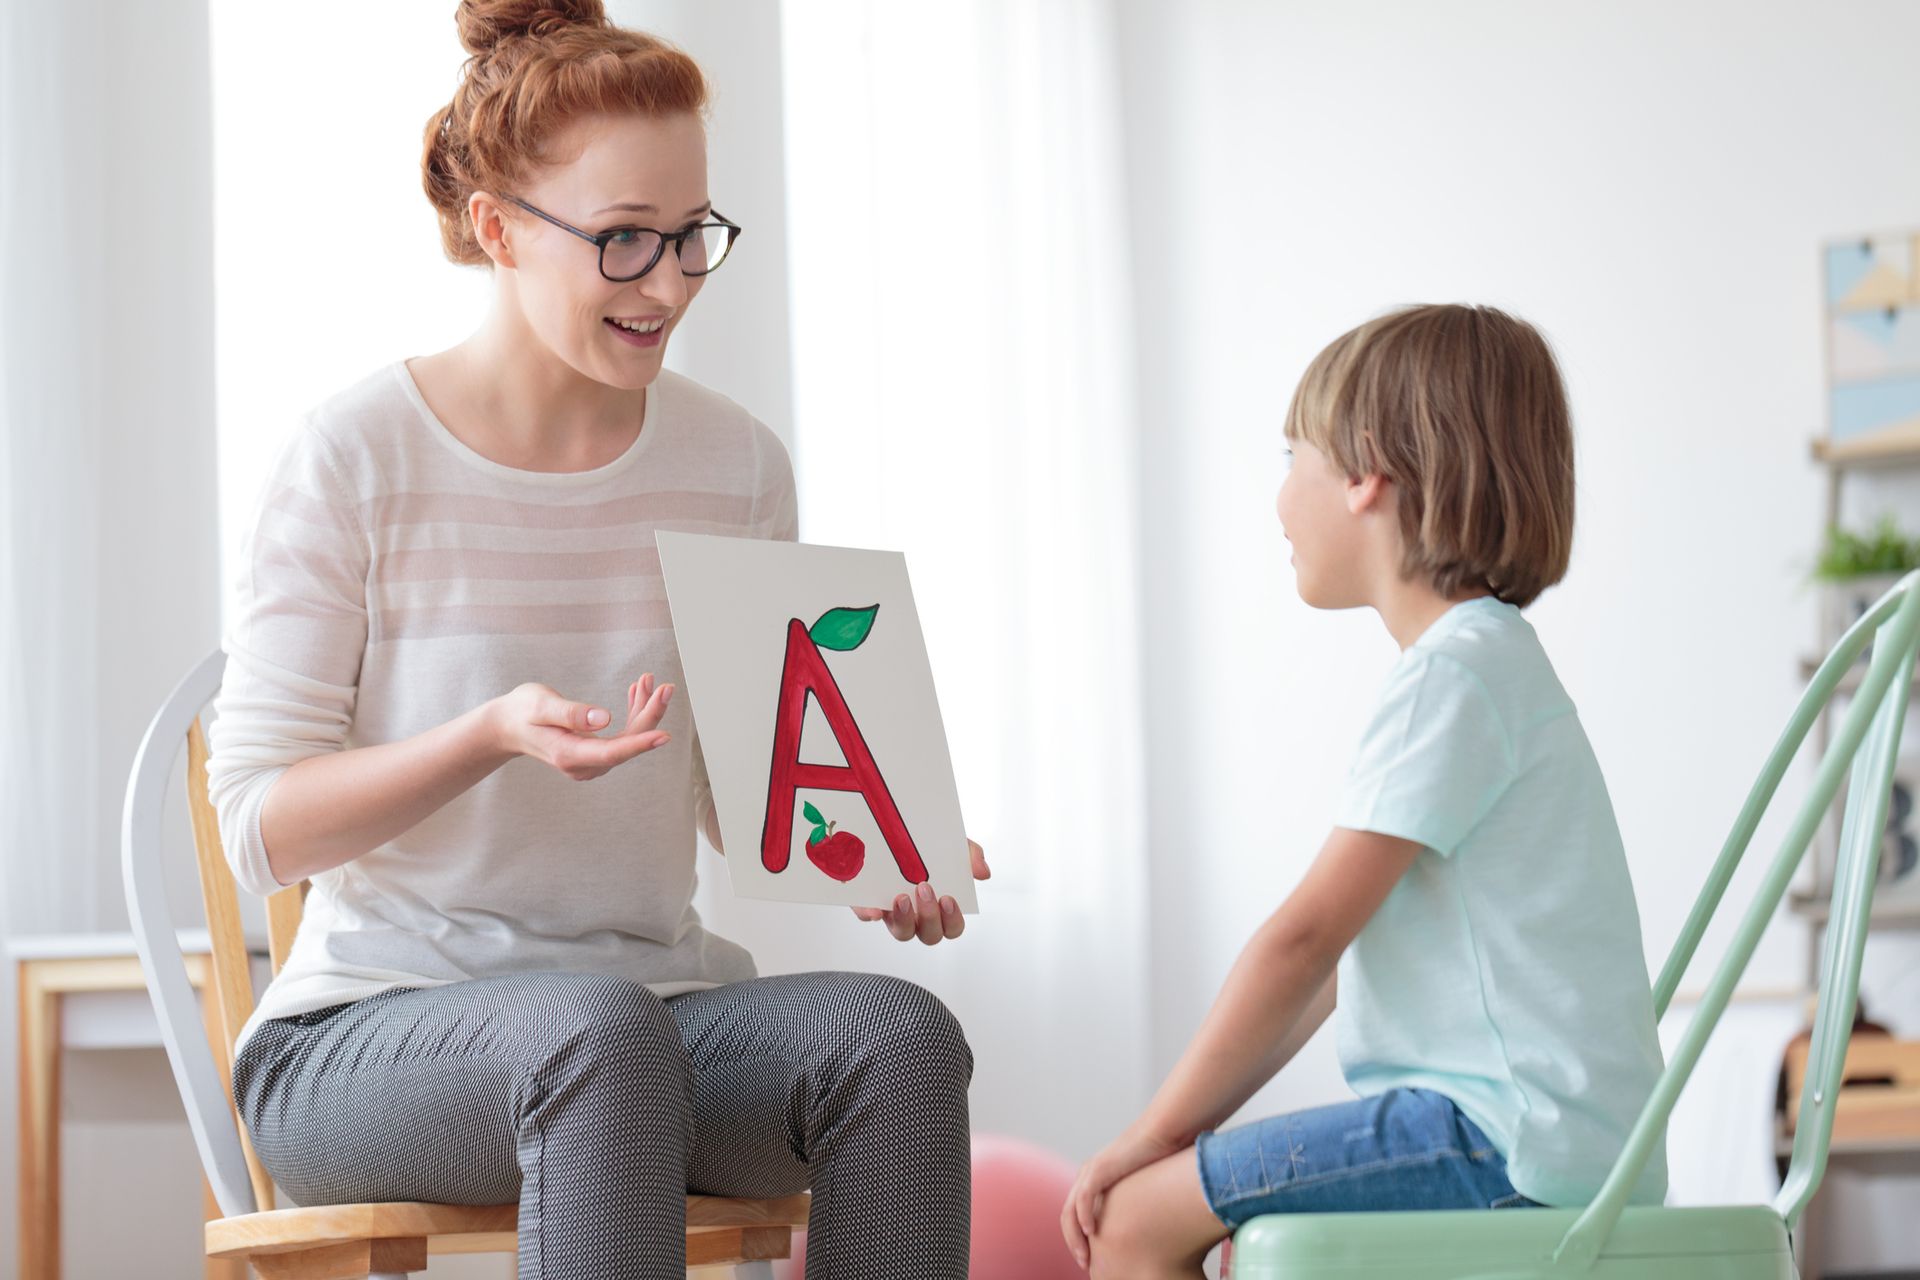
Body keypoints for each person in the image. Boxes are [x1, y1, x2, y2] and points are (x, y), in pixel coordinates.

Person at [207, 4, 984, 1276]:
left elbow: (752, 784)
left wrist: (870, 840)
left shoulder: (734, 462)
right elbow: (260, 825)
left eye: (690, 236)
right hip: (368, 1036)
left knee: (892, 1035)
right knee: (598, 1033)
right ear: (498, 228)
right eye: (624, 239)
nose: (669, 282)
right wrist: (484, 734)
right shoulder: (355, 456)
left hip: (654, 1017)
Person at [1062, 304, 1667, 1278]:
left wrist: (1152, 1133)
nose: (1277, 497)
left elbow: (1300, 944)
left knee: (1133, 1219)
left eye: (1291, 453)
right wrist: (1194, 1136)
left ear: (1365, 473)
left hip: (1497, 1141)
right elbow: (1333, 967)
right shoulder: (1488, 665)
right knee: (1195, 1201)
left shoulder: (1452, 674)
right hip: (1562, 1142)